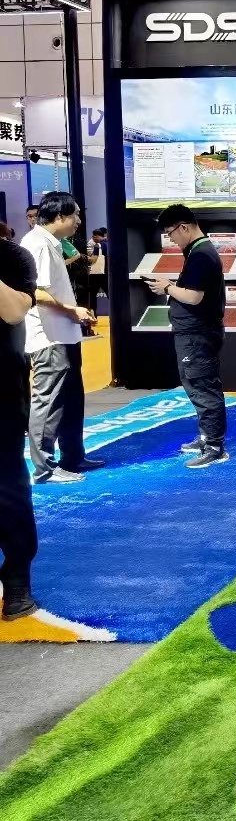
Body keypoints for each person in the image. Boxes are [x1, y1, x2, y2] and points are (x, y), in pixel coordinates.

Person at [21, 193, 100, 484]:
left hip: (64, 333)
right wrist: (71, 309)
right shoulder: (37, 244)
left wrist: (72, 313)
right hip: (48, 337)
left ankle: (72, 456)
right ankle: (45, 467)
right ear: (59, 216)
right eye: (75, 214)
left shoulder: (51, 243)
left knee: (70, 399)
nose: (78, 221)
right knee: (49, 401)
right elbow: (36, 292)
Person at [147, 204, 228, 467]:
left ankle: (214, 446)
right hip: (195, 333)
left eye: (170, 233)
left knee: (202, 387)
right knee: (198, 385)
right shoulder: (198, 251)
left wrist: (167, 287)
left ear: (183, 227)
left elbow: (193, 297)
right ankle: (207, 437)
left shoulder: (201, 254)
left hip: (197, 334)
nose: (171, 239)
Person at [0, 231, 38, 617]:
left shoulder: (13, 258)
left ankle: (16, 579)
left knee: (7, 488)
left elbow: (12, 312)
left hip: (2, 395)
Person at [88, 227, 109, 302]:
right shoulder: (109, 244)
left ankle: (92, 309)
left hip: (97, 274)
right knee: (109, 292)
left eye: (94, 236)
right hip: (107, 273)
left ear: (97, 236)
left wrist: (85, 257)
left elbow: (93, 259)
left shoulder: (98, 245)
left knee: (92, 294)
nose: (93, 238)